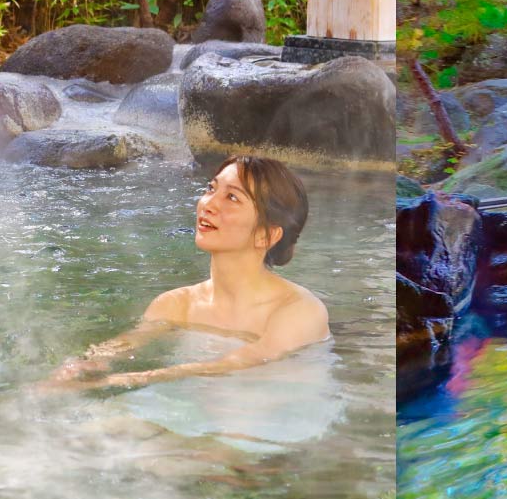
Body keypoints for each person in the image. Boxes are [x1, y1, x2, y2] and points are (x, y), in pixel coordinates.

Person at [49, 155, 329, 390]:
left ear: (266, 235)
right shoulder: (176, 305)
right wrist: (83, 363)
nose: (208, 204)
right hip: (193, 403)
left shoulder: (300, 310)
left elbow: (245, 362)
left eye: (232, 197)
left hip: (268, 415)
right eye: (211, 188)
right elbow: (124, 345)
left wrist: (132, 379)